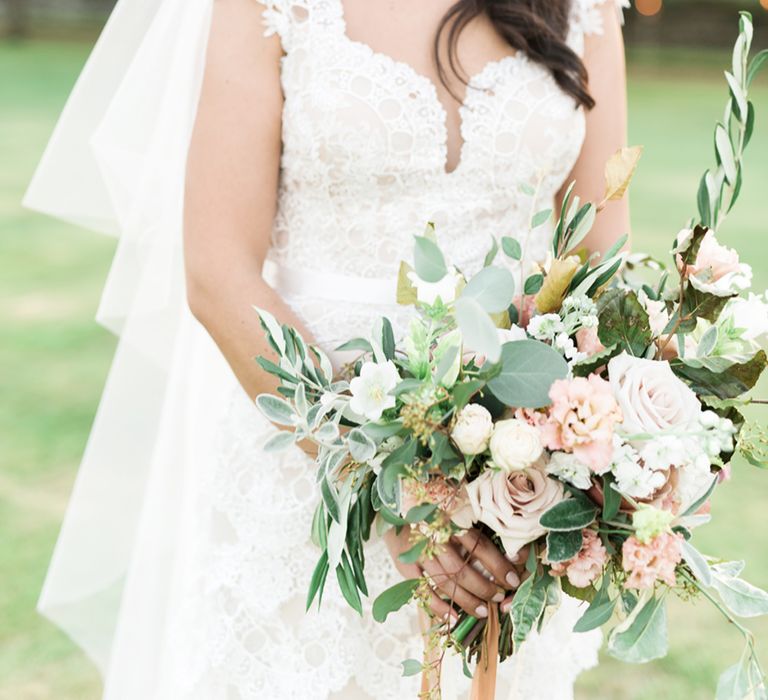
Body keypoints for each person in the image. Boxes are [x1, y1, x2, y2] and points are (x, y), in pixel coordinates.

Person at [25, 0, 630, 697]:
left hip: (510, 490)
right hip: (304, 452)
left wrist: (564, 457)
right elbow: (218, 272)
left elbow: (599, 262)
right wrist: (388, 491)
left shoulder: (583, 10)